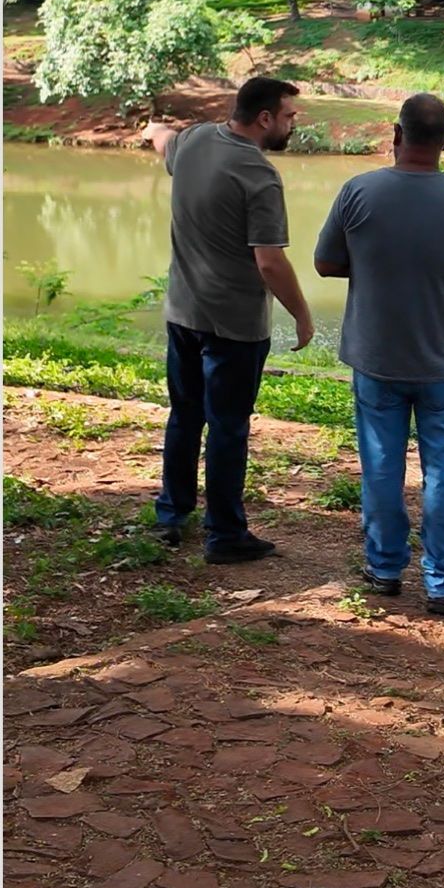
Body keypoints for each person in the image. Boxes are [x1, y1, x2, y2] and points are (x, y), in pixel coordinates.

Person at [314, 94, 444, 616]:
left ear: (395, 136)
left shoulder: (359, 191)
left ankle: (383, 569)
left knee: (381, 465)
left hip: (376, 358)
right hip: (443, 362)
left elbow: (325, 262)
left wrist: (378, 261)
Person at [153, 77, 315, 562]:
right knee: (228, 427)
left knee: (184, 415)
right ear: (264, 118)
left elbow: (163, 139)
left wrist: (152, 128)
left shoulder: (195, 139)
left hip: (182, 313)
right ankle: (224, 535)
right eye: (288, 116)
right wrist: (303, 317)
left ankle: (170, 516)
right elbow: (269, 261)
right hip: (235, 328)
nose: (292, 125)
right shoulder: (258, 175)